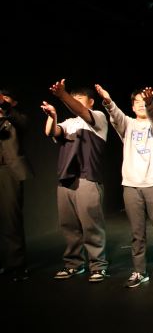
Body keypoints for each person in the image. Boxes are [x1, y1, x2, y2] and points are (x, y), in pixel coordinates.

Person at [95, 84, 153, 288]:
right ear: (132, 106)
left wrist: (151, 104)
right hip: (131, 186)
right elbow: (116, 115)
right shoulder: (128, 124)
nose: (141, 105)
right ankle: (139, 271)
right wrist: (108, 101)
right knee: (137, 232)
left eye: (145, 102)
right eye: (138, 102)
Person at [41, 80, 109, 282]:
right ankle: (74, 264)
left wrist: (63, 95)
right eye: (73, 98)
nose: (75, 102)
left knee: (91, 225)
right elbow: (51, 132)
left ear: (91, 102)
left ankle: (98, 266)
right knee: (69, 226)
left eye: (80, 99)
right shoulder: (69, 123)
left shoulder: (98, 117)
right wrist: (52, 115)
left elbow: (81, 110)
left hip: (88, 178)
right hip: (66, 180)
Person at [0, 88, 34, 282]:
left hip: (8, 171)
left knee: (11, 219)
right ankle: (5, 263)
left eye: (6, 98)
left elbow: (22, 124)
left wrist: (5, 107)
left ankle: (17, 266)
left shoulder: (17, 118)